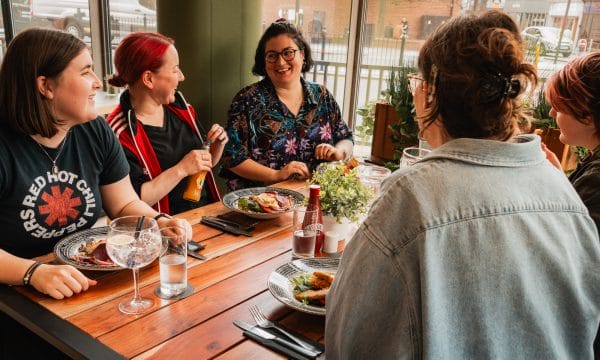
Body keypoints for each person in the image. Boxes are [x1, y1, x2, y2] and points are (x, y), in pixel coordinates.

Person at [326, 11, 600, 359]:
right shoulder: (564, 193)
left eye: (416, 83)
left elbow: (350, 344)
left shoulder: (410, 198)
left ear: (430, 94)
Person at [0, 28, 190, 358]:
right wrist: (32, 273)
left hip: (85, 283)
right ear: (45, 86)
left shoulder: (94, 129)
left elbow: (124, 203)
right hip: (16, 297)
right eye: (86, 71)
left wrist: (157, 220)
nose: (98, 82)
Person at [220, 19, 353, 191]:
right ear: (264, 61)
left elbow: (346, 138)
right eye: (272, 55)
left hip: (315, 198)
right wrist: (276, 175)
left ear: (302, 54)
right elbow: (232, 157)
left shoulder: (322, 96)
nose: (281, 62)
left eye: (288, 52)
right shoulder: (247, 100)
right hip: (260, 204)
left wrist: (338, 153)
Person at [106, 32, 227, 215]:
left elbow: (201, 167)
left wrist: (216, 147)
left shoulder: (183, 109)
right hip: (163, 230)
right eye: (175, 69)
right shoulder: (119, 131)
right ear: (149, 79)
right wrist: (181, 169)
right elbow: (129, 202)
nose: (182, 77)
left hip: (204, 215)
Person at [542, 52, 600, 231]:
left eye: (558, 108)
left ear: (588, 116)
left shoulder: (595, 179)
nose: (551, 113)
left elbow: (567, 238)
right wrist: (559, 177)